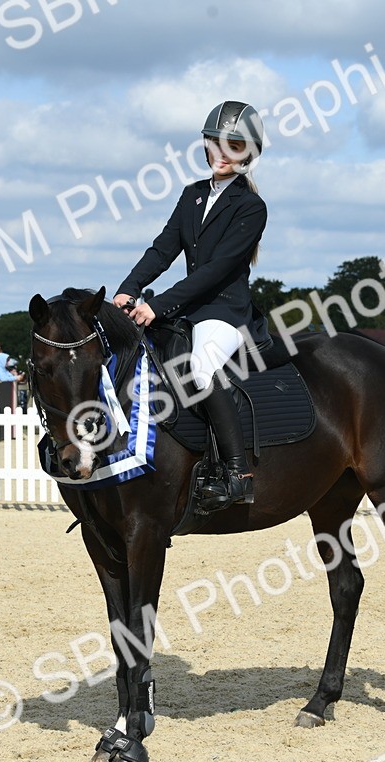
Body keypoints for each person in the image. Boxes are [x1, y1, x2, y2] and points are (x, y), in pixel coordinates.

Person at [113, 100, 268, 511]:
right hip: (187, 310)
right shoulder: (192, 195)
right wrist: (129, 289)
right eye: (215, 143)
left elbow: (217, 271)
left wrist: (157, 306)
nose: (222, 153)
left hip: (224, 312)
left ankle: (237, 474)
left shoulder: (251, 207)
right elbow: (162, 249)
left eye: (234, 145)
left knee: (201, 367)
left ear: (248, 153)